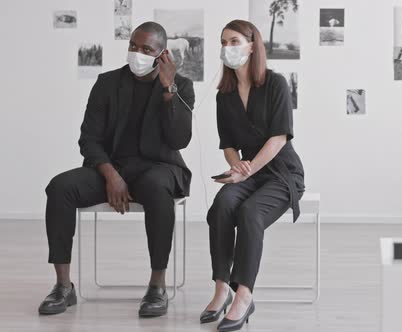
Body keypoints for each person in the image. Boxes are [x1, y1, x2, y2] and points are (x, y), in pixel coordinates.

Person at [38, 21, 194, 318]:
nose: (137, 53)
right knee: (59, 187)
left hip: (159, 167)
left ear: (162, 54)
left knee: (157, 188)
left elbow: (179, 140)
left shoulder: (179, 85)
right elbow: (89, 138)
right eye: (133, 46)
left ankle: (157, 286)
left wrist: (168, 89)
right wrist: (111, 175)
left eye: (146, 49)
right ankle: (62, 286)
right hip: (112, 167)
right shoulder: (107, 83)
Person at [200, 20, 305, 331]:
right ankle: (221, 288)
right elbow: (228, 144)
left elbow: (279, 138)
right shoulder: (224, 95)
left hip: (282, 173)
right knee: (221, 206)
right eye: (224, 42)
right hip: (249, 172)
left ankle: (244, 295)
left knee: (249, 212)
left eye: (234, 41)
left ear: (252, 45)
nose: (227, 48)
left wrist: (248, 169)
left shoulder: (275, 84)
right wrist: (237, 167)